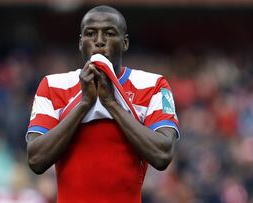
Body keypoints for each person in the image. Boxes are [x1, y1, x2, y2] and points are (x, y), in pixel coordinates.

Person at [26, 5, 179, 203]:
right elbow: (36, 160)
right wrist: (84, 103)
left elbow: (163, 154)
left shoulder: (153, 85)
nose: (99, 41)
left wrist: (111, 103)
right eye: (90, 34)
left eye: (109, 33)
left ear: (124, 43)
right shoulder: (53, 85)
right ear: (81, 43)